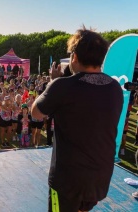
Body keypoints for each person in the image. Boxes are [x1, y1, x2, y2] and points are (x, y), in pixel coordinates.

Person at [31, 27, 123, 211]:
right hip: (99, 178)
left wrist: (52, 82)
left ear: (74, 56)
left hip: (68, 180)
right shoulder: (114, 87)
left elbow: (36, 113)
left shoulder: (62, 86)